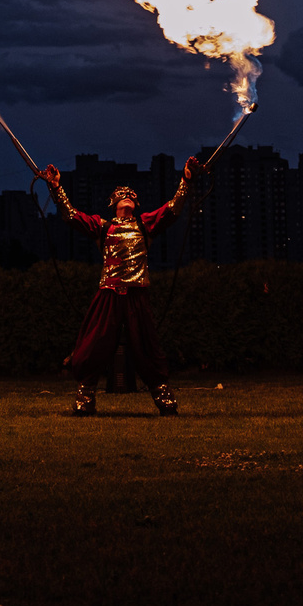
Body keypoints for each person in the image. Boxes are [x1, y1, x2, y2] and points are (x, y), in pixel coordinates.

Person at [40, 156, 201, 416]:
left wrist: (186, 179)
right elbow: (71, 215)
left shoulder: (144, 224)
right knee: (94, 343)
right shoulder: (102, 226)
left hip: (137, 293)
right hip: (109, 293)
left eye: (130, 196)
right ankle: (85, 395)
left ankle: (162, 394)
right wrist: (56, 187)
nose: (126, 197)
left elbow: (172, 209)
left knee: (147, 344)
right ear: (113, 204)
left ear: (136, 204)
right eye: (121, 195)